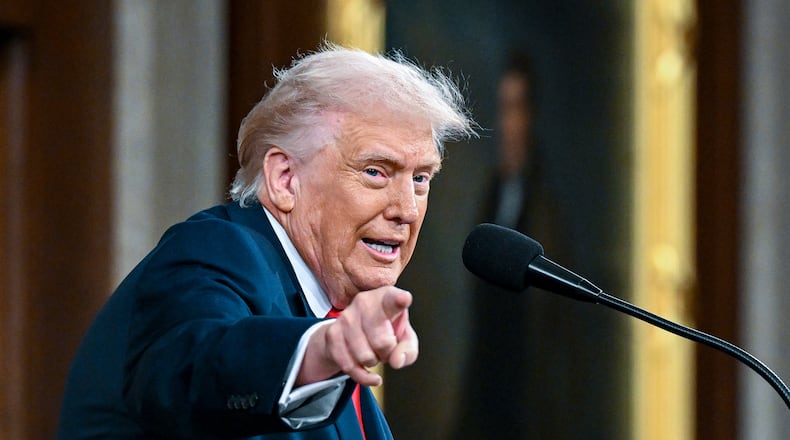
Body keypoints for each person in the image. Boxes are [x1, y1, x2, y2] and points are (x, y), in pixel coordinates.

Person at [56, 43, 475, 439]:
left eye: (420, 178)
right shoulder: (219, 249)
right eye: (376, 172)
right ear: (284, 179)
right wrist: (321, 349)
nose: (407, 209)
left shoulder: (332, 336)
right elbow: (193, 367)